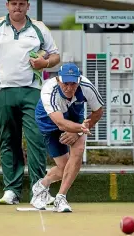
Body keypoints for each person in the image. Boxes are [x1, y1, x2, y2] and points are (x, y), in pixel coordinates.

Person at [0, 0, 60, 205]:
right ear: (7, 5)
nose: (17, 7)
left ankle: (39, 190)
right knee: (9, 140)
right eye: (14, 3)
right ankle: (11, 190)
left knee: (36, 140)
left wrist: (45, 63)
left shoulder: (39, 28)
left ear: (28, 6)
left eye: (22, 3)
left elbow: (55, 56)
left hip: (33, 92)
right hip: (2, 90)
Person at [30, 62, 104, 212]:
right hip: (49, 120)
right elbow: (60, 123)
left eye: (73, 84)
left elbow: (98, 112)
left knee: (79, 148)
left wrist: (77, 131)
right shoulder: (48, 91)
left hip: (74, 115)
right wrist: (80, 128)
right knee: (64, 168)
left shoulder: (86, 87)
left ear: (79, 80)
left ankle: (61, 198)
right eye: (66, 83)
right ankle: (41, 186)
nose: (69, 88)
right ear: (58, 80)